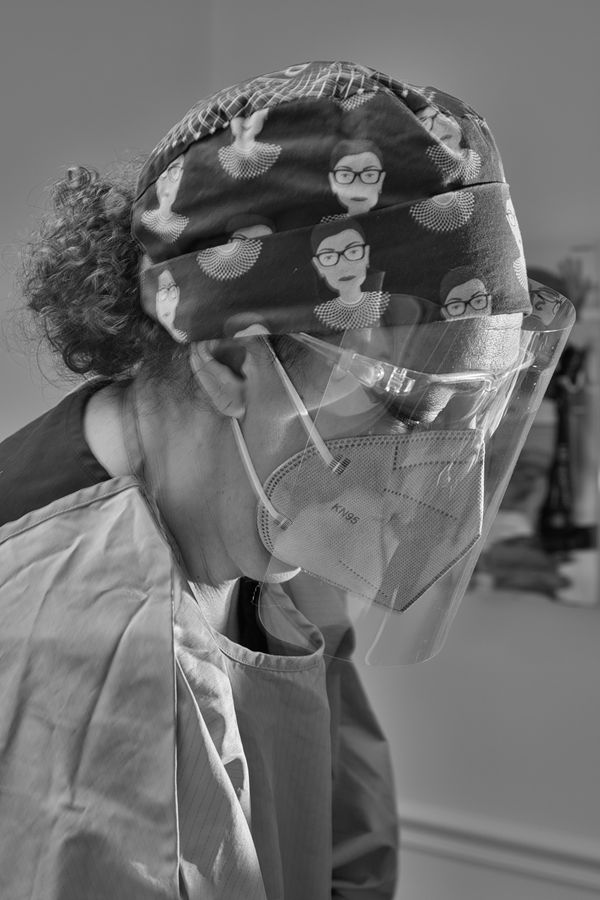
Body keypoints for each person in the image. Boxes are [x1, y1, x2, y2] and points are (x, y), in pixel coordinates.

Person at [0, 60, 573, 899]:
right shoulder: (49, 636)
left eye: (462, 414)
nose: (424, 474)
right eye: (401, 405)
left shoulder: (279, 545)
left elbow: (345, 850)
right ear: (231, 361)